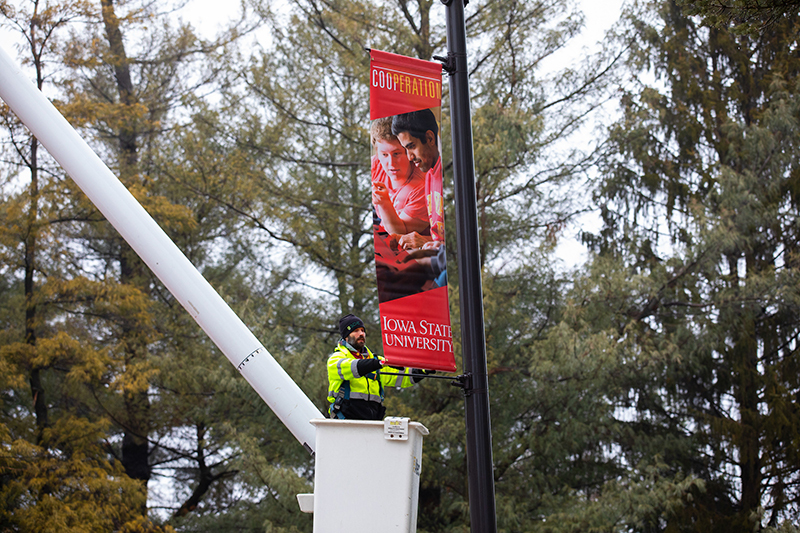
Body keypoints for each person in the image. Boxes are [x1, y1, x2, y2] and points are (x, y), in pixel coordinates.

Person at [327, 314, 431, 420]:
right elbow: (352, 367)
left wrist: (424, 370)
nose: (361, 334)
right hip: (344, 423)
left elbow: (404, 376)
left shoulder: (376, 361)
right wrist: (377, 363)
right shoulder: (336, 359)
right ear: (346, 336)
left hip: (372, 424)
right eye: (356, 331)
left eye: (363, 330)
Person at [391, 109, 445, 251]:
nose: (409, 157)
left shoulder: (450, 173)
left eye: (412, 146)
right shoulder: (428, 176)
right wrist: (422, 241)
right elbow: (440, 240)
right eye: (405, 150)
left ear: (430, 139)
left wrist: (423, 244)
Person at [370, 117, 429, 236]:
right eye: (384, 155)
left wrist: (384, 203)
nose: (391, 163)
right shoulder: (375, 164)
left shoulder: (422, 187)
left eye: (396, 154)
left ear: (409, 151)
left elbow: (400, 234)